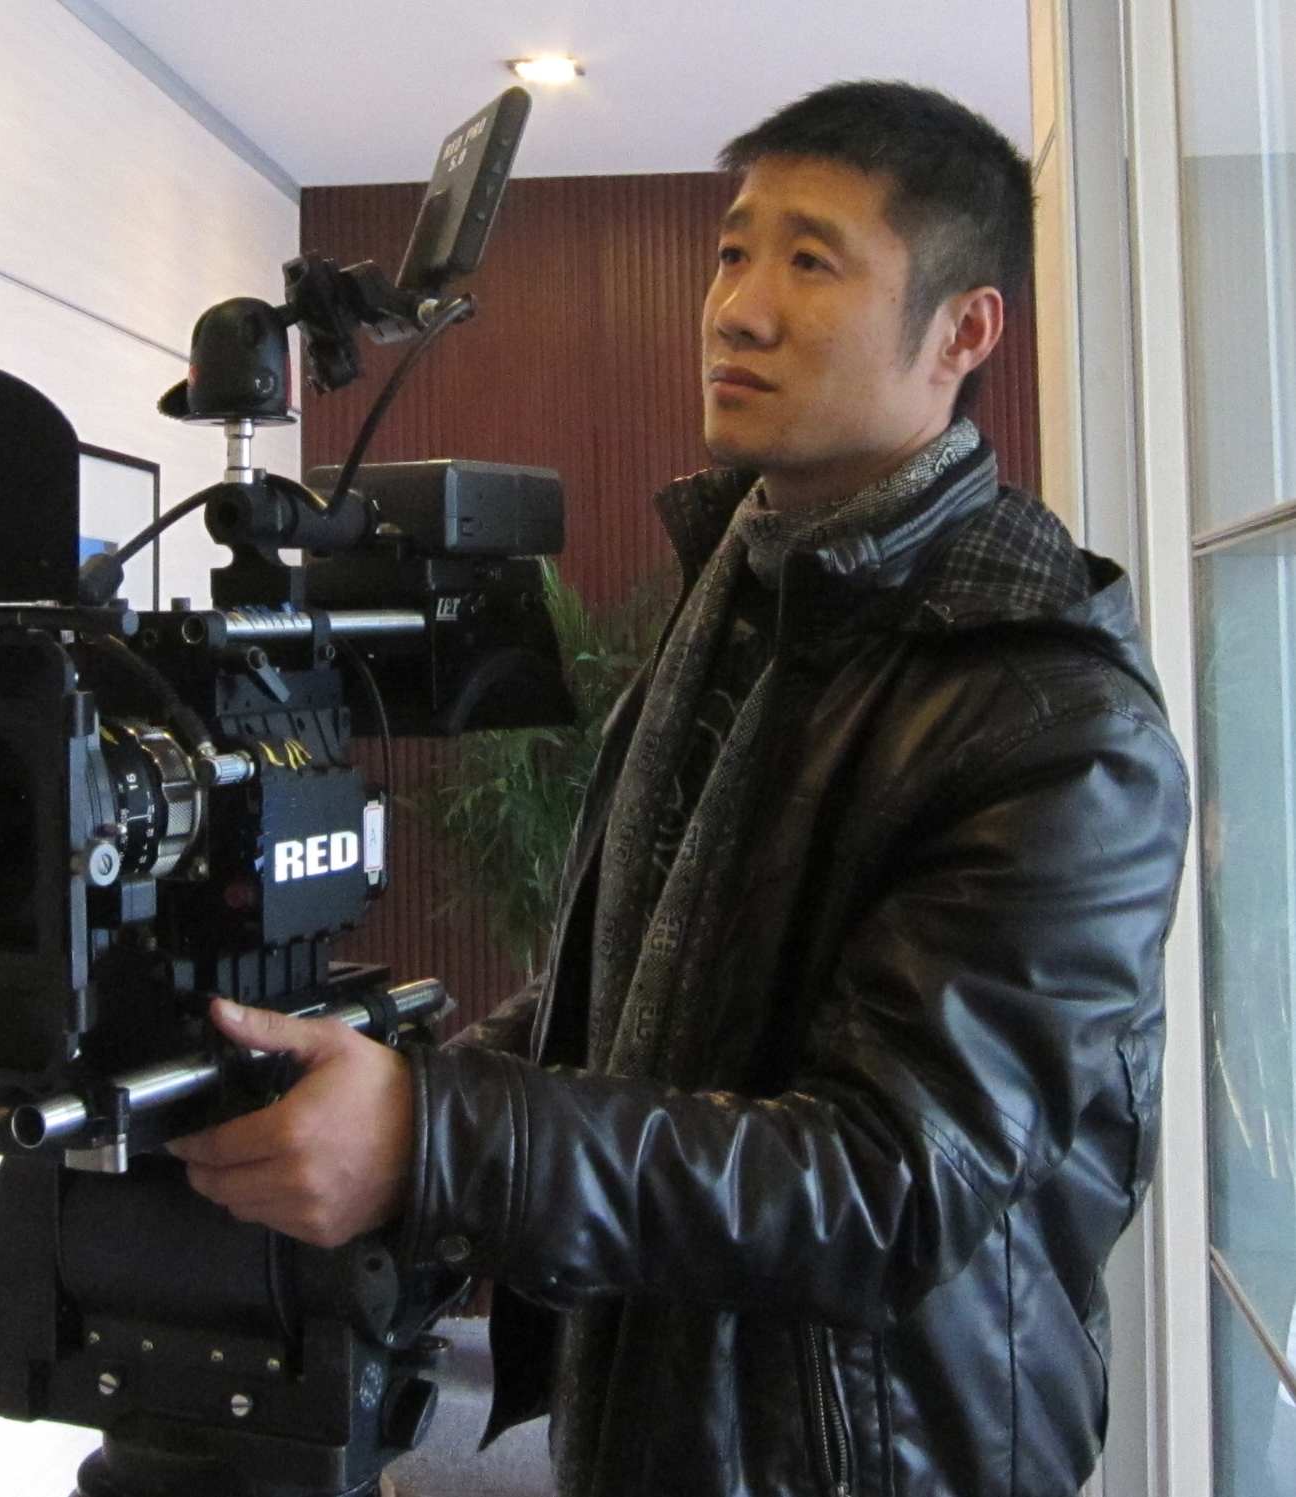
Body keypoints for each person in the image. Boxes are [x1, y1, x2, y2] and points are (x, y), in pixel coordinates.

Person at [169, 81, 1190, 1496]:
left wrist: (439, 1138)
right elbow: (634, 994)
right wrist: (408, 1086)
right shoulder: (747, 594)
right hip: (654, 1413)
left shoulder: (1054, 720)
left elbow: (888, 1188)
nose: (737, 310)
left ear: (964, 331)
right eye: (731, 251)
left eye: (811, 261)